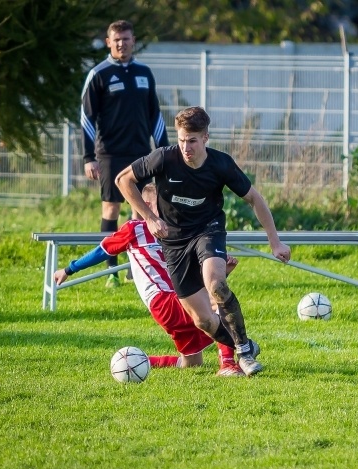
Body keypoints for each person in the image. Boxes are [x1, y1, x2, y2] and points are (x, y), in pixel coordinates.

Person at [115, 106, 291, 377]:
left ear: (206, 137)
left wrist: (275, 242)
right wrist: (149, 217)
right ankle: (245, 345)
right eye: (182, 139)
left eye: (193, 140)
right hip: (173, 243)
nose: (186, 147)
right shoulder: (163, 158)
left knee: (216, 284)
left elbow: (255, 199)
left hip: (208, 231)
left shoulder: (220, 164)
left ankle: (242, 352)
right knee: (203, 320)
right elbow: (123, 180)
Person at [53, 184, 245, 377]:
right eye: (162, 204)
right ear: (145, 206)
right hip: (163, 300)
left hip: (180, 298)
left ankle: (134, 362)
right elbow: (102, 251)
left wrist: (222, 273)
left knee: (192, 362)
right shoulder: (135, 229)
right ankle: (228, 365)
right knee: (216, 304)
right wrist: (69, 268)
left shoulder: (175, 231)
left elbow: (192, 275)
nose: (169, 209)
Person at [81, 19, 169, 288]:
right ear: (109, 42)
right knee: (112, 208)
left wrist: (165, 151)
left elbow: (155, 115)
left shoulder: (144, 73)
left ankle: (135, 267)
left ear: (133, 40)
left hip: (142, 152)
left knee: (141, 209)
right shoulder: (99, 74)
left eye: (126, 39)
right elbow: (86, 117)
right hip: (109, 154)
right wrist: (89, 157)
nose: (122, 43)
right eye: (116, 39)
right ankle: (111, 272)